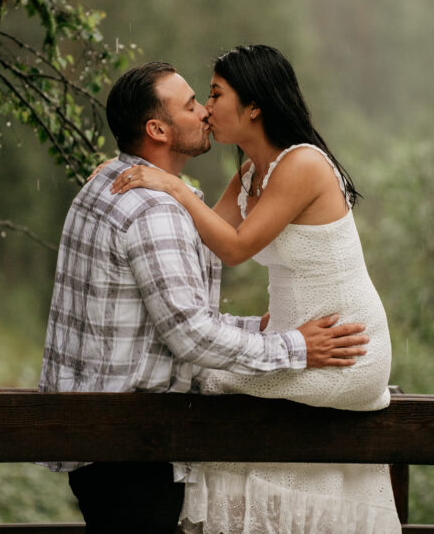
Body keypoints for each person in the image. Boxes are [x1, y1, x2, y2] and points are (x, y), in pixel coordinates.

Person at [38, 60, 371, 534]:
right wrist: (296, 346)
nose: (204, 113)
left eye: (209, 98)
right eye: (193, 104)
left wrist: (255, 327)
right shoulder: (154, 209)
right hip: (132, 444)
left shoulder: (105, 185)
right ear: (157, 129)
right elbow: (191, 334)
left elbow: (172, 309)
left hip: (99, 438)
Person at [111, 45, 399, 533]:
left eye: (216, 94)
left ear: (254, 107)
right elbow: (202, 238)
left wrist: (172, 185)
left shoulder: (303, 164)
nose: (206, 108)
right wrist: (124, 174)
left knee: (209, 383)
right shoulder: (251, 172)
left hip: (347, 346)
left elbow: (236, 246)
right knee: (209, 380)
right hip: (302, 342)